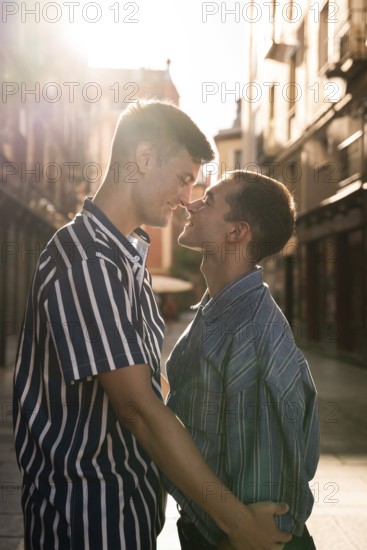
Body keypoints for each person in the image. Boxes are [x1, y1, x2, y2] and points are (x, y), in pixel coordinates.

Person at [13, 102, 291, 550]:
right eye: (184, 178)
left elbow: (152, 389)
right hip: (87, 522)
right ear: (143, 158)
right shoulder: (87, 260)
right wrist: (239, 524)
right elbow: (137, 408)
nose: (187, 198)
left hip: (127, 514)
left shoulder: (126, 260)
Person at [164, 170, 320, 549]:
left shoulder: (252, 334)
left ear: (237, 232)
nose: (191, 202)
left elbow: (268, 513)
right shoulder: (220, 308)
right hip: (208, 532)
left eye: (210, 199)